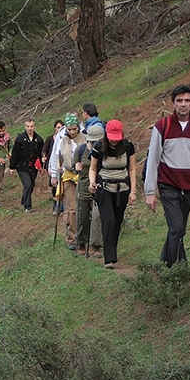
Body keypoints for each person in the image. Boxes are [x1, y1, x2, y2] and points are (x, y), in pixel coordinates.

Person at [143, 84, 190, 267]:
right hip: (168, 184)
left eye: (187, 100)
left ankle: (164, 260)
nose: (183, 104)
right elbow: (153, 159)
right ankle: (176, 267)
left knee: (178, 229)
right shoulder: (162, 126)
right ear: (172, 103)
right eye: (179, 101)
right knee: (177, 227)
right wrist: (149, 192)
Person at [88, 119, 137, 269]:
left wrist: (133, 191)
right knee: (108, 220)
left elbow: (132, 169)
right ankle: (109, 258)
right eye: (111, 138)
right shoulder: (98, 147)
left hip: (122, 188)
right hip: (104, 187)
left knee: (117, 221)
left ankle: (112, 250)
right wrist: (92, 182)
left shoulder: (128, 147)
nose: (113, 142)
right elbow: (93, 168)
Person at [52, 113, 85, 250]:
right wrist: (55, 172)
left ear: (78, 127)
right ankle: (72, 239)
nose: (72, 132)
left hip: (83, 177)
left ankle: (83, 237)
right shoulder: (61, 141)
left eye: (74, 129)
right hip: (67, 177)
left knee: (83, 208)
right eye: (69, 129)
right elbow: (56, 157)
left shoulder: (85, 139)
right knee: (72, 209)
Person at [74, 123, 104, 258]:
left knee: (97, 217)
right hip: (84, 188)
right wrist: (77, 167)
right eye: (93, 141)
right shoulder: (80, 150)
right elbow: (72, 166)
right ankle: (81, 243)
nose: (95, 143)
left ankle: (96, 246)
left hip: (99, 188)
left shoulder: (104, 151)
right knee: (83, 217)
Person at [9, 119, 44, 212]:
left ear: (34, 127)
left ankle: (24, 200)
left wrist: (43, 166)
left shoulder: (38, 139)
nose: (30, 128)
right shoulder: (20, 138)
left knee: (31, 185)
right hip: (22, 166)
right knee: (27, 185)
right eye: (28, 126)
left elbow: (42, 154)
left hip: (33, 166)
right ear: (25, 127)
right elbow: (15, 153)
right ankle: (28, 207)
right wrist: (12, 167)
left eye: (31, 126)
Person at [43, 119, 65, 215]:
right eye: (58, 127)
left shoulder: (64, 137)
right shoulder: (51, 139)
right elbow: (47, 151)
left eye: (61, 127)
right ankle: (56, 206)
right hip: (53, 165)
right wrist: (44, 158)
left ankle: (61, 206)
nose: (59, 129)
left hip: (63, 166)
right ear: (55, 128)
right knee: (55, 186)